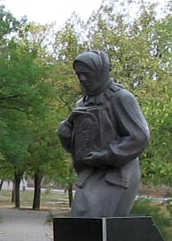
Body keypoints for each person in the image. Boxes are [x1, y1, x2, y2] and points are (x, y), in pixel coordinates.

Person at [58, 50, 150, 217]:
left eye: (86, 74)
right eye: (79, 74)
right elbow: (73, 145)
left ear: (101, 71)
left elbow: (139, 137)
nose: (82, 79)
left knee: (96, 220)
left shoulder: (121, 98)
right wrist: (69, 124)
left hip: (118, 173)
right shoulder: (81, 103)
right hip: (91, 173)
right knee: (80, 217)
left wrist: (107, 155)